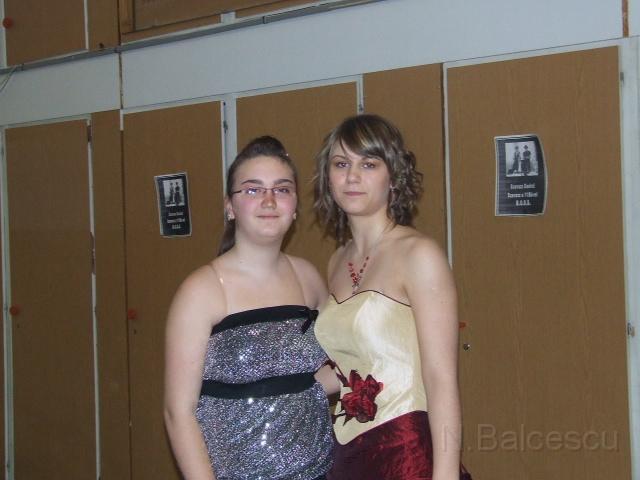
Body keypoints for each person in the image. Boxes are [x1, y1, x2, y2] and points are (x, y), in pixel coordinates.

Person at [164, 136, 335, 480]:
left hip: (318, 470)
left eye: (282, 189)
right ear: (230, 206)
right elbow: (178, 412)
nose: (269, 200)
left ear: (295, 206)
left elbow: (324, 372)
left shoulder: (308, 278)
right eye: (253, 189)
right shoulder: (201, 290)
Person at [313, 114, 469, 480]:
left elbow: (441, 378)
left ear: (393, 177)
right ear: (328, 178)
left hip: (407, 452)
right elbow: (347, 366)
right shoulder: (337, 260)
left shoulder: (418, 254)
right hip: (348, 454)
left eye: (368, 164)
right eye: (341, 164)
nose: (352, 176)